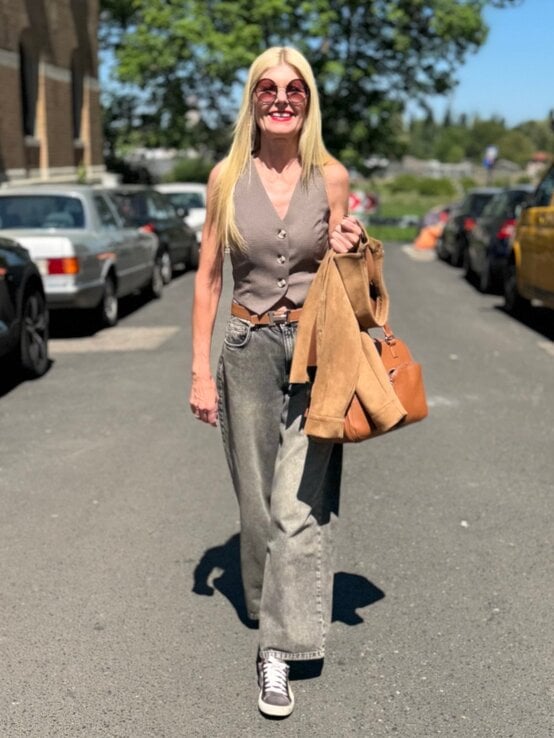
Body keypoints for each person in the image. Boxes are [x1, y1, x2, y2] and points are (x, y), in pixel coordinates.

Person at [189, 46, 364, 718]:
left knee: (297, 508)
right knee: (258, 509)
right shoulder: (226, 177)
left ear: (308, 100)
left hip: (317, 355)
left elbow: (346, 270)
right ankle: (269, 606)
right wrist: (199, 371)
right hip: (247, 350)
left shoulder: (332, 176)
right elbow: (208, 278)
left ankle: (277, 651)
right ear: (253, 99)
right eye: (269, 88)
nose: (282, 99)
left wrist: (351, 246)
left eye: (295, 89)